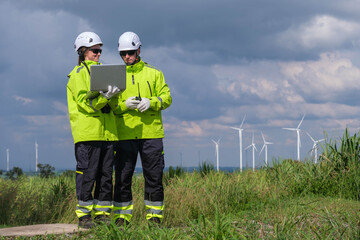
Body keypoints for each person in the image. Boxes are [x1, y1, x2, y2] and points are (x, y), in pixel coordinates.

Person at [110, 31, 172, 226]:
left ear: (138, 50)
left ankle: (155, 219)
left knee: (154, 177)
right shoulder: (115, 76)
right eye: (122, 53)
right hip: (125, 133)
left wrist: (151, 102)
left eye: (129, 52)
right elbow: (111, 106)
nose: (126, 57)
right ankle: (122, 218)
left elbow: (167, 98)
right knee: (122, 177)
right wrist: (123, 105)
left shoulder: (155, 74)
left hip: (151, 134)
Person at [67, 32, 120, 229]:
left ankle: (102, 215)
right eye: (95, 50)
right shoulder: (78, 74)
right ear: (82, 52)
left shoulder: (104, 73)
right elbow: (84, 103)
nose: (99, 54)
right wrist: (105, 97)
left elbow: (112, 104)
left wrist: (114, 95)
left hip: (108, 134)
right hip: (88, 134)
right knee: (87, 175)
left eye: (100, 51)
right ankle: (84, 216)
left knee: (106, 177)